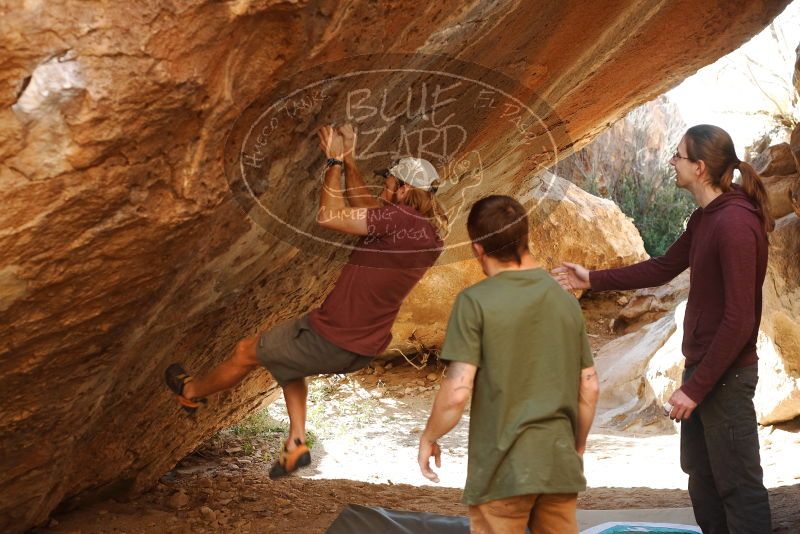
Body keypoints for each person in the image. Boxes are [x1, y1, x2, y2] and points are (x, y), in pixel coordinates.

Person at [165, 123, 446, 478]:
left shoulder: (397, 219)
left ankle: (191, 392)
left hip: (333, 336)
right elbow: (368, 209)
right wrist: (350, 160)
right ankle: (296, 441)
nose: (383, 190)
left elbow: (329, 216)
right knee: (289, 361)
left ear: (404, 189)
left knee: (246, 352)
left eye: (389, 185)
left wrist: (332, 162)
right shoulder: (425, 234)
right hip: (360, 343)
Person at [552, 124, 774, 533]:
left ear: (700, 167)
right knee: (702, 480)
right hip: (704, 371)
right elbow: (663, 267)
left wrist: (696, 387)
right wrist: (591, 278)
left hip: (726, 377)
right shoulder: (705, 218)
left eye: (678, 156)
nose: (671, 162)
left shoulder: (735, 224)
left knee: (739, 487)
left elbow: (740, 319)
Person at [418, 195, 600, 534]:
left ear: (476, 248)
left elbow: (458, 390)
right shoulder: (565, 302)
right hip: (557, 465)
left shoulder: (475, 303)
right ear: (525, 236)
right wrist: (575, 446)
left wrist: (430, 435)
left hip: (502, 470)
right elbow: (589, 386)